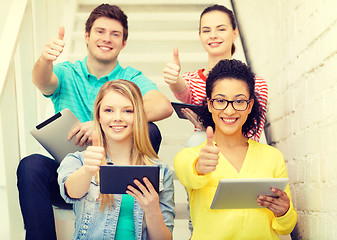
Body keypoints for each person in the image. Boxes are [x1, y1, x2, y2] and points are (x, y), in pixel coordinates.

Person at [17, 4, 173, 240]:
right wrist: (44, 60)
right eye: (100, 31)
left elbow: (163, 106)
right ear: (87, 36)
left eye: (115, 34)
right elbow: (43, 80)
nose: (107, 39)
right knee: (31, 165)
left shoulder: (131, 78)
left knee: (150, 130)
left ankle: (137, 191)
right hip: (74, 176)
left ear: (123, 43)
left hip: (120, 176)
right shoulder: (68, 72)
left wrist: (98, 124)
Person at [174, 59, 297, 240]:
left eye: (239, 101)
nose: (230, 111)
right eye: (220, 101)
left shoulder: (272, 157)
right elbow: (189, 174)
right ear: (209, 104)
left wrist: (284, 212)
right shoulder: (189, 156)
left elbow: (285, 228)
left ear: (249, 106)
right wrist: (200, 167)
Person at [58, 79, 175, 239]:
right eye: (108, 110)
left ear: (138, 116)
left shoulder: (161, 171)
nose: (118, 118)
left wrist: (152, 210)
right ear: (98, 116)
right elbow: (71, 192)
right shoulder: (78, 161)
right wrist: (87, 170)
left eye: (127, 111)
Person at [163, 4, 268, 147]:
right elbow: (184, 91)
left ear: (235, 33)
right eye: (206, 30)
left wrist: (207, 127)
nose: (213, 35)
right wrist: (174, 80)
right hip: (206, 150)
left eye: (221, 29)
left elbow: (253, 136)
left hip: (243, 153)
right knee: (197, 140)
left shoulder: (257, 83)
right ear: (200, 36)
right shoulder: (192, 81)